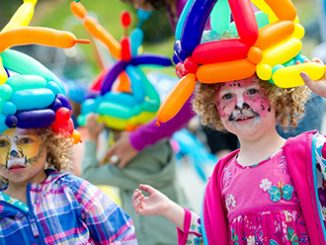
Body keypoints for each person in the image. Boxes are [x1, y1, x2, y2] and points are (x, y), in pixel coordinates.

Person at [132, 71, 326, 244]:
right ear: (215, 109)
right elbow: (212, 236)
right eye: (227, 96)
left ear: (278, 97)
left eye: (251, 91)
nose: (240, 105)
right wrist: (169, 209)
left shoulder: (310, 152)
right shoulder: (221, 176)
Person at [0, 51, 137, 244]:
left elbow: (122, 236)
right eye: (2, 144)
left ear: (49, 143)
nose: (13, 154)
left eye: (25, 141)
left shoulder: (72, 190)